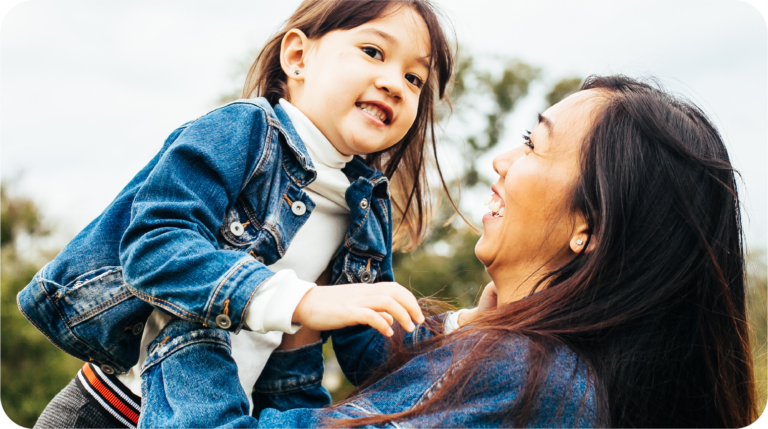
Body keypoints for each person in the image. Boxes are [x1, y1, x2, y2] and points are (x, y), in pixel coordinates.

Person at [139, 75, 758, 428]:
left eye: (534, 146)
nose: (502, 162)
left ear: (589, 228)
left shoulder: (524, 376)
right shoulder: (543, 374)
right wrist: (301, 334)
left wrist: (189, 320)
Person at [20, 0, 459, 427]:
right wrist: (302, 300)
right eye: (373, 52)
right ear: (298, 56)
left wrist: (467, 330)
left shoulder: (363, 207)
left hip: (223, 413)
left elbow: (369, 348)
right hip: (114, 408)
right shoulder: (243, 132)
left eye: (415, 78)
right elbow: (154, 247)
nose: (394, 83)